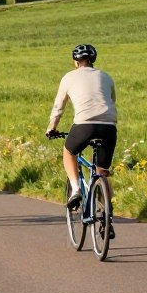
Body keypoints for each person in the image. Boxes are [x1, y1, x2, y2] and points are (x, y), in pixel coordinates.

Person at [46, 44, 117, 209]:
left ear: (75, 61)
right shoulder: (106, 76)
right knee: (102, 171)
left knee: (69, 151)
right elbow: (112, 100)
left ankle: (76, 189)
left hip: (84, 125)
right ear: (93, 60)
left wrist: (52, 127)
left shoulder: (69, 77)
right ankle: (107, 211)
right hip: (109, 126)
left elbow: (59, 106)